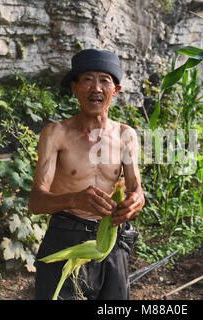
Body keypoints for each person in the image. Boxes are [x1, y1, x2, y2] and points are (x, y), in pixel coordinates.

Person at [29, 49, 144, 300]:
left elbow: (136, 187)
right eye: (88, 79)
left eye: (105, 80)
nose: (96, 88)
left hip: (110, 239)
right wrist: (72, 200)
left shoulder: (126, 135)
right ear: (74, 87)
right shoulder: (55, 133)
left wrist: (136, 200)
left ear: (116, 90)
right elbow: (36, 202)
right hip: (65, 235)